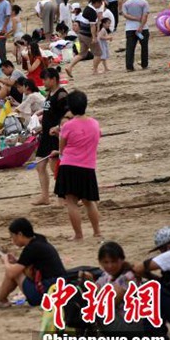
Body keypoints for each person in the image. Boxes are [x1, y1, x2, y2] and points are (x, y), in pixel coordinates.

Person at [0, 217, 66, 309]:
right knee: (15, 270)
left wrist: (5, 261)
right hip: (57, 289)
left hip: (44, 294)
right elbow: (29, 266)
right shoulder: (39, 240)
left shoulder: (32, 248)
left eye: (12, 236)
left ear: (20, 234)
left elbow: (11, 273)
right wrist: (15, 262)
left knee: (13, 273)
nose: (12, 240)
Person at [52, 90, 101, 241]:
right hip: (88, 166)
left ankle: (78, 234)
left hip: (69, 166)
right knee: (89, 202)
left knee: (71, 202)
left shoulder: (68, 126)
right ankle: (97, 232)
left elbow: (62, 148)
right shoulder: (94, 123)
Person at [32, 68, 67, 205]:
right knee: (40, 165)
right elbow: (48, 113)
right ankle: (45, 196)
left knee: (55, 168)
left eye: (45, 79)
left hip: (55, 136)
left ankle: (64, 196)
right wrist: (41, 126)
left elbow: (67, 115)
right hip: (45, 135)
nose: (43, 82)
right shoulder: (49, 94)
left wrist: (58, 128)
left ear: (53, 79)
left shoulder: (62, 95)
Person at [122, 0, 150, 71]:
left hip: (130, 29)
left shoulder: (127, 3)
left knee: (130, 48)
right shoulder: (144, 2)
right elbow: (145, 16)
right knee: (144, 46)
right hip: (142, 30)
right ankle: (144, 65)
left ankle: (129, 66)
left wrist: (134, 18)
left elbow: (125, 15)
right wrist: (140, 27)